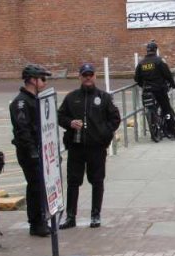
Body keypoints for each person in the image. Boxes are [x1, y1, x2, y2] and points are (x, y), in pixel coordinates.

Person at [58, 64, 121, 229]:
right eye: (84, 75)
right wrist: (70, 123)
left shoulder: (104, 97)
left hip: (96, 148)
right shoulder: (72, 97)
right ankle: (71, 216)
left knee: (97, 181)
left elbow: (115, 119)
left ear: (95, 76)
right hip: (76, 147)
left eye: (90, 75)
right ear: (79, 77)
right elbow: (60, 116)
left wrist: (104, 135)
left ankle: (95, 215)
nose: (87, 78)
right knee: (73, 181)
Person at [9, 64, 53, 237]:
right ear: (33, 80)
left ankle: (40, 219)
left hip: (40, 150)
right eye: (42, 78)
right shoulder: (21, 102)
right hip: (30, 152)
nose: (44, 82)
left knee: (41, 186)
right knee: (35, 186)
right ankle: (36, 222)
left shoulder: (35, 99)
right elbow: (23, 129)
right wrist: (32, 151)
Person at [134, 41, 175, 139]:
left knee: (150, 108)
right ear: (156, 50)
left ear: (147, 50)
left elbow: (137, 78)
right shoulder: (159, 61)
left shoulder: (141, 63)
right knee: (167, 110)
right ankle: (171, 132)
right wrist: (173, 84)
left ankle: (153, 126)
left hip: (147, 91)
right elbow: (167, 75)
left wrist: (143, 85)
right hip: (159, 90)